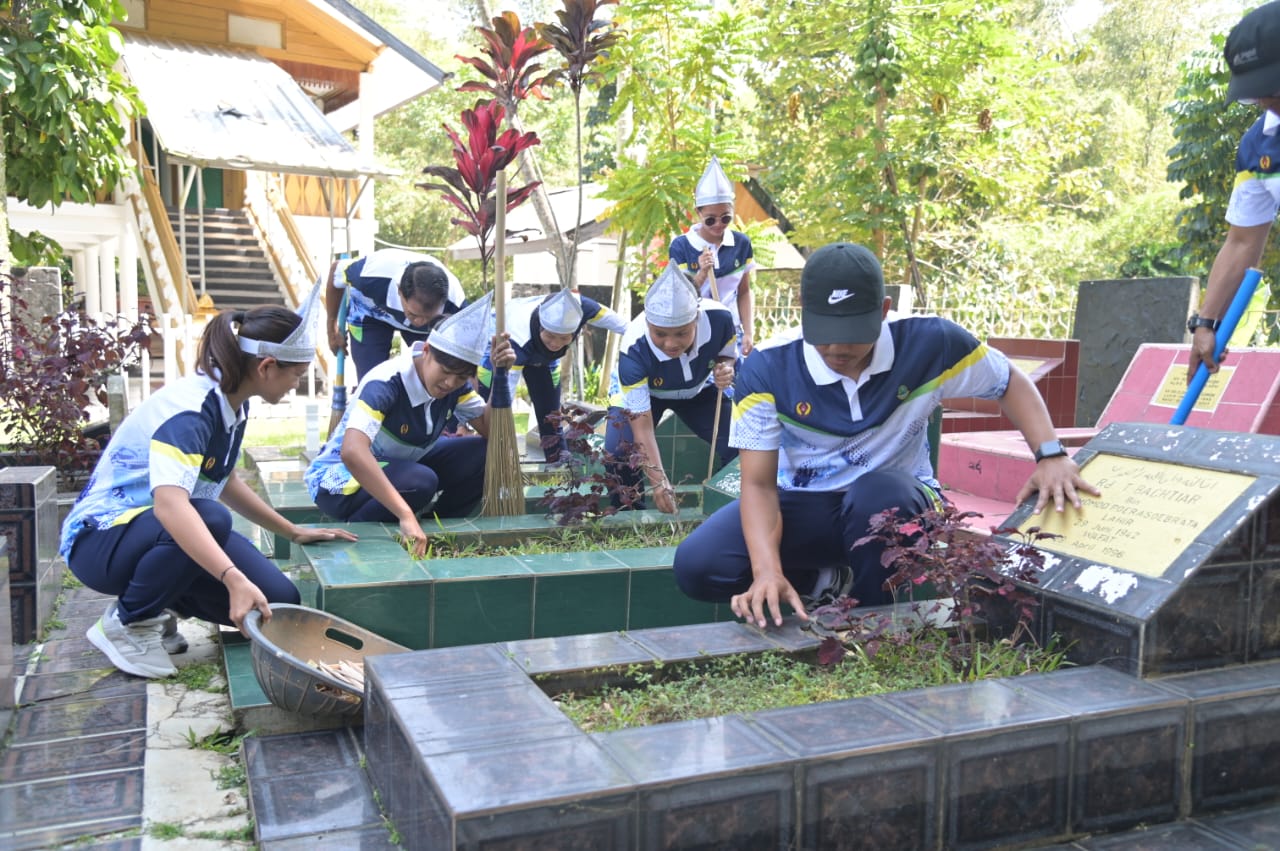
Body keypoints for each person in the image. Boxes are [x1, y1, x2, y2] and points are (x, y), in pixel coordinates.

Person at [673, 242, 1099, 628]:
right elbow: (760, 484)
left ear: (883, 310)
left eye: (853, 336)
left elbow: (1009, 381)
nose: (838, 349)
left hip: (896, 501)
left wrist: (1050, 454)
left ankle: (872, 620)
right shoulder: (769, 367)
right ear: (803, 308)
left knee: (877, 494)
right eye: (825, 336)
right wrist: (767, 570)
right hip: (806, 505)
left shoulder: (931, 344)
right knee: (699, 565)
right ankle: (821, 580)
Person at [59, 286, 359, 679]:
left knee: (278, 602)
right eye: (296, 376)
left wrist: (291, 530)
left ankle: (160, 600)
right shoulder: (192, 412)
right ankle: (129, 621)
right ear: (267, 366)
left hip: (154, 532)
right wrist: (231, 577)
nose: (294, 386)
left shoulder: (234, 402)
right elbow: (171, 507)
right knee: (212, 519)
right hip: (100, 543)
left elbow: (225, 477)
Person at [305, 293, 517, 556]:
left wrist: (501, 374)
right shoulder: (387, 382)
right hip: (338, 482)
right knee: (420, 482)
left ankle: (438, 528)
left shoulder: (456, 388)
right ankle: (363, 529)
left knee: (487, 454)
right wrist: (405, 514)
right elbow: (352, 452)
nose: (450, 383)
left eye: (461, 376)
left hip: (399, 468)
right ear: (426, 350)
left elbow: (493, 432)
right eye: (446, 371)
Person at [1186, 0, 1280, 380]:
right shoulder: (1258, 146)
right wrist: (1206, 323)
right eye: (1253, 91)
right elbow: (1242, 241)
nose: (1261, 101)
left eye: (1270, 88)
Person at [605, 265, 737, 513]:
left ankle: (726, 509)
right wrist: (659, 482)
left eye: (682, 333)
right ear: (648, 323)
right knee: (619, 453)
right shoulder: (633, 349)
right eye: (660, 333)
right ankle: (631, 517)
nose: (671, 343)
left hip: (697, 390)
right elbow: (642, 427)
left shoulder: (720, 319)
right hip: (646, 394)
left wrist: (725, 368)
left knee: (741, 442)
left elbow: (727, 356)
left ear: (696, 318)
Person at [476, 288, 627, 463]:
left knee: (551, 414)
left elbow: (626, 327)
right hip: (500, 351)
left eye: (564, 338)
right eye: (550, 336)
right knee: (489, 415)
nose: (555, 344)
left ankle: (559, 460)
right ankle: (487, 458)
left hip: (544, 360)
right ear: (541, 327)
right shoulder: (516, 340)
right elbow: (505, 395)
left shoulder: (581, 307)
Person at [325, 247, 468, 380]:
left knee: (431, 376)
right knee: (371, 379)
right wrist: (332, 327)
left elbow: (465, 362)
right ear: (399, 291)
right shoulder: (370, 275)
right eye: (414, 314)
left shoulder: (456, 305)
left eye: (427, 316)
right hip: (369, 313)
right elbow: (335, 270)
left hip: (428, 329)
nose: (419, 322)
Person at [668, 156, 757, 356]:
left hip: (730, 330)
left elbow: (744, 291)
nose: (718, 224)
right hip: (695, 333)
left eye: (725, 218)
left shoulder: (741, 244)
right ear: (698, 212)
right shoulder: (681, 246)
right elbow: (679, 298)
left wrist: (749, 332)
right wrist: (701, 273)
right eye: (710, 220)